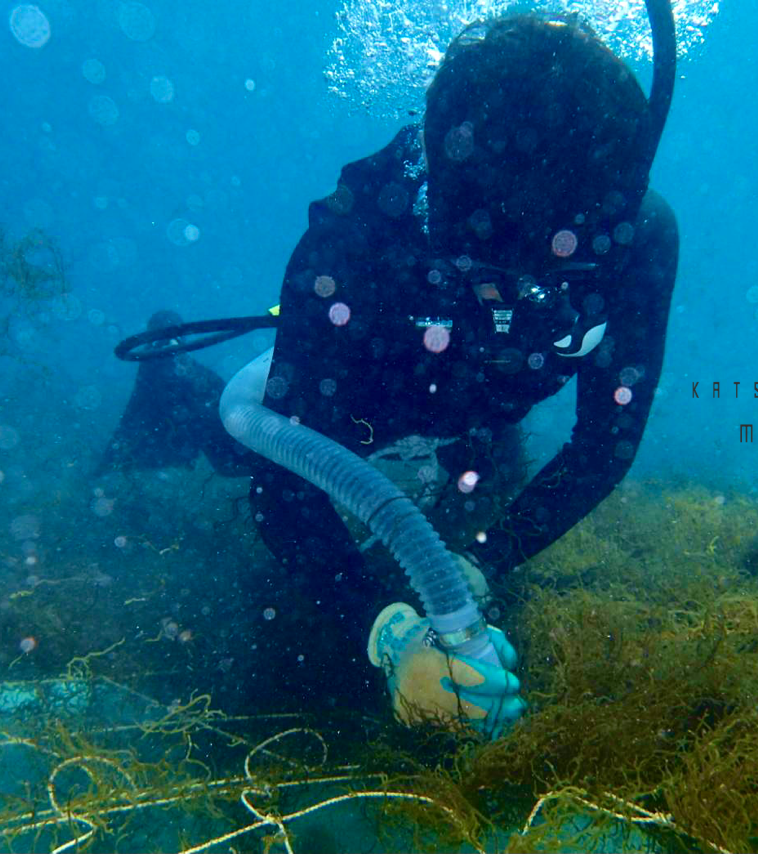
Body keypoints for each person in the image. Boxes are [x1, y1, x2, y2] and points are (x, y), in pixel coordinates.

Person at [107, 7, 678, 730]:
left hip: (478, 417)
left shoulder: (635, 237)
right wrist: (387, 634)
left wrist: (486, 559)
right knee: (235, 449)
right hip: (360, 403)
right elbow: (282, 479)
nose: (512, 295)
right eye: (490, 259)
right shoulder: (356, 236)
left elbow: (605, 446)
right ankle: (174, 378)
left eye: (559, 252)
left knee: (474, 476)